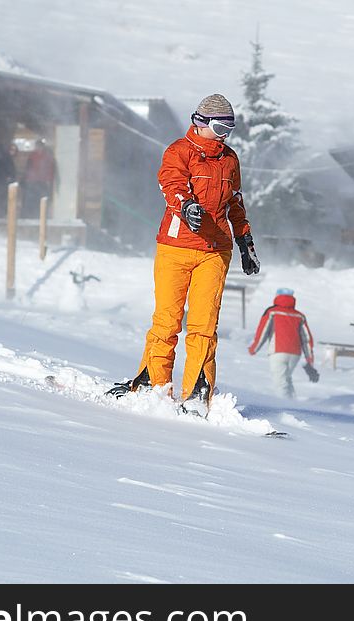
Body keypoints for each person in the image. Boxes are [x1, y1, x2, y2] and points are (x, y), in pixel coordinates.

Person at [107, 93, 261, 412]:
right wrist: (186, 205)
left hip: (215, 251)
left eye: (230, 128)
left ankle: (197, 393)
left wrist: (245, 241)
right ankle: (154, 383)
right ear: (200, 122)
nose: (224, 135)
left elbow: (235, 203)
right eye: (220, 127)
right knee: (167, 321)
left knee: (204, 325)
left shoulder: (230, 159)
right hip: (175, 248)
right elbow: (171, 183)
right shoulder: (180, 151)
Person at [247, 288, 318, 399]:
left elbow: (263, 332)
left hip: (277, 351)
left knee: (280, 382)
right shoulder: (299, 316)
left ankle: (285, 407)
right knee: (286, 379)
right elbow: (306, 339)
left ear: (277, 297)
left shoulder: (272, 312)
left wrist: (254, 349)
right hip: (295, 354)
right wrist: (309, 359)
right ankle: (293, 403)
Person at [21, 138, 58, 219]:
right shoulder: (32, 156)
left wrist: (49, 180)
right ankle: (30, 216)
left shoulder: (47, 157)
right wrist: (26, 179)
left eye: (39, 146)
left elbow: (51, 169)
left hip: (42, 182)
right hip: (33, 182)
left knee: (40, 201)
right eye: (37, 146)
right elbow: (28, 168)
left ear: (42, 147)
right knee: (32, 201)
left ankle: (39, 217)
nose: (38, 148)